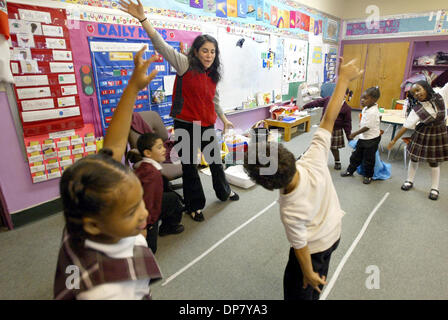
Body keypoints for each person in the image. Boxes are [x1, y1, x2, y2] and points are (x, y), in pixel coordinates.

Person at [243, 58, 364, 300]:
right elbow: (329, 119)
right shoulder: (314, 158)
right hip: (334, 233)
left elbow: (300, 247)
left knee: (302, 286)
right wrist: (343, 79)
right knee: (320, 274)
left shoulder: (289, 208)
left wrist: (307, 272)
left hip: (316, 247)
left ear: (266, 185)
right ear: (287, 153)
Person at [53, 46, 163, 300]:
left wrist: (133, 87)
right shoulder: (106, 290)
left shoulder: (82, 213)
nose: (144, 213)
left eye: (139, 203)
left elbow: (113, 146)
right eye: (131, 212)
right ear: (93, 225)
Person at [120, 0, 239, 222]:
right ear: (196, 51)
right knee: (190, 167)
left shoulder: (212, 74)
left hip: (207, 125)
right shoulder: (185, 64)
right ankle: (195, 206)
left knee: (215, 162)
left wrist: (223, 118)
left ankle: (224, 192)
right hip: (186, 124)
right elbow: (161, 45)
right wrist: (143, 20)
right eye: (205, 50)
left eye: (213, 52)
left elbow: (215, 99)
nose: (209, 55)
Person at [387, 80, 448, 200]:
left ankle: (434, 188)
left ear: (426, 87)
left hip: (438, 133)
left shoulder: (441, 94)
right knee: (414, 158)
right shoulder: (417, 109)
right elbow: (406, 126)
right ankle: (409, 181)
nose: (417, 94)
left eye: (418, 90)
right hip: (423, 133)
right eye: (414, 93)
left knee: (434, 161)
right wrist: (394, 140)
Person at [132, 132, 184, 254]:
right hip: (145, 216)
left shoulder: (145, 166)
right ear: (148, 153)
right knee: (150, 250)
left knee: (172, 199)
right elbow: (148, 203)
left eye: (163, 146)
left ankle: (168, 227)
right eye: (159, 147)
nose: (164, 150)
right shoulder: (152, 174)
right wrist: (148, 225)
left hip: (147, 207)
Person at [301, 88, 353, 170]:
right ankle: (305, 157)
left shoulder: (346, 108)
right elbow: (316, 102)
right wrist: (305, 106)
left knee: (334, 148)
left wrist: (349, 136)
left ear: (346, 95)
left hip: (336, 130)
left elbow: (347, 123)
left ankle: (337, 161)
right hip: (324, 128)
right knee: (316, 144)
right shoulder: (328, 99)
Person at [340, 87, 381, 184]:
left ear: (374, 100)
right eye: (362, 98)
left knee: (369, 159)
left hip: (371, 139)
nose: (362, 100)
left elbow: (367, 127)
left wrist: (354, 133)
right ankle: (350, 170)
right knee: (356, 156)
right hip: (363, 138)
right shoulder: (366, 108)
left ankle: (368, 175)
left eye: (365, 98)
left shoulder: (373, 112)